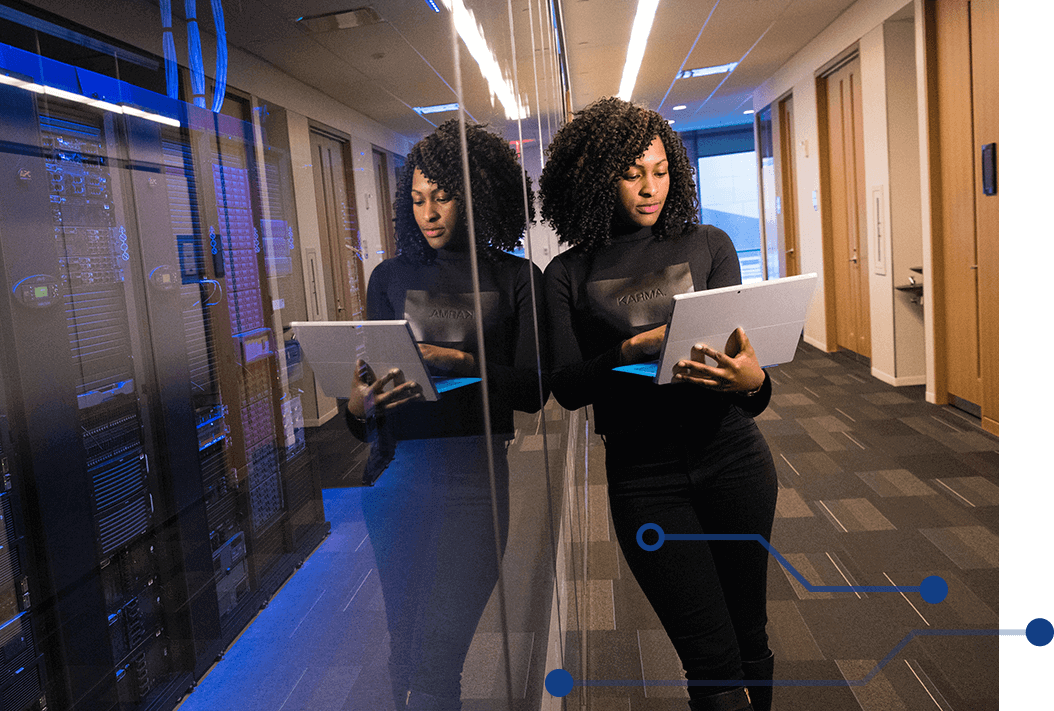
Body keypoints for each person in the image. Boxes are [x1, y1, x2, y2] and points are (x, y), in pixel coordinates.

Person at [539, 97, 777, 711]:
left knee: (751, 638)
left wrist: (752, 381)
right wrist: (629, 350)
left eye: (662, 169)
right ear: (596, 178)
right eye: (632, 173)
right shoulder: (567, 272)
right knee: (710, 660)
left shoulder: (710, 244)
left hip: (734, 458)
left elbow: (746, 385)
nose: (651, 188)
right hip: (644, 478)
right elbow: (566, 385)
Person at [345, 119, 546, 710]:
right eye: (417, 200)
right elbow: (364, 415)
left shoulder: (515, 279)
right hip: (398, 476)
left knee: (439, 653)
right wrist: (360, 402)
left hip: (475, 479)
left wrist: (458, 361)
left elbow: (534, 390)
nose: (429, 212)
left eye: (443, 196)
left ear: (477, 195)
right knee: (403, 644)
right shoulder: (388, 278)